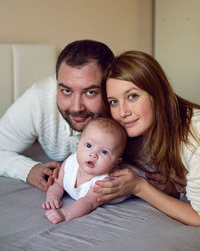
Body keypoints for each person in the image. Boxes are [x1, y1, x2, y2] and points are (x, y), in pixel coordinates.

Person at [94, 50, 200, 226]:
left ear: (158, 94)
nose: (122, 112)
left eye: (132, 96)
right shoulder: (135, 136)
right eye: (114, 102)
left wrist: (140, 187)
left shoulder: (194, 134)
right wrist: (173, 188)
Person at [0, 40, 114, 191]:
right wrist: (27, 169)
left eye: (90, 92)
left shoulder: (123, 106)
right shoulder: (38, 100)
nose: (76, 107)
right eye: (66, 91)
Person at [42, 117, 127, 224]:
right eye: (88, 145)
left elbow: (88, 202)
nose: (93, 154)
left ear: (115, 163)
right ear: (78, 144)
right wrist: (52, 197)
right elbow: (57, 183)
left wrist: (64, 214)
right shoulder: (70, 162)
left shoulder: (104, 182)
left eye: (104, 152)